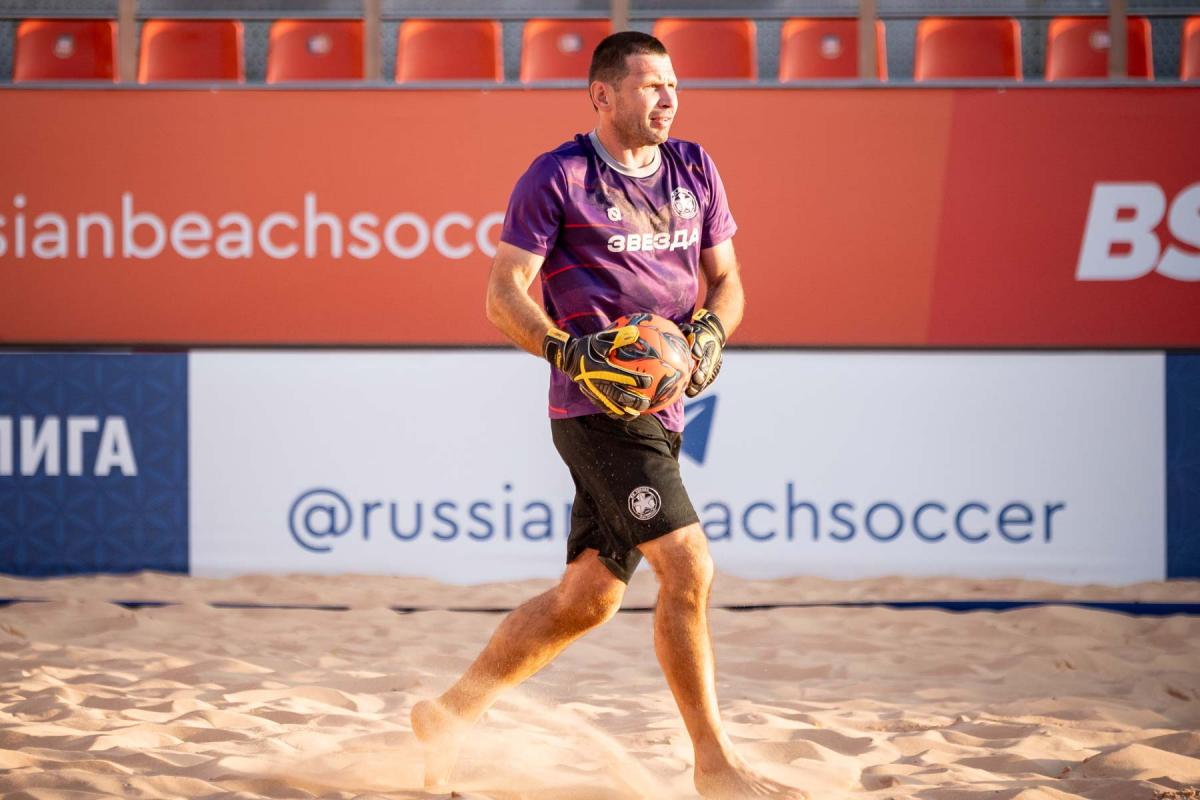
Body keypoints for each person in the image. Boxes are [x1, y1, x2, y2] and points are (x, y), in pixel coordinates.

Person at [412, 31, 804, 800]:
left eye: (674, 85)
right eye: (651, 85)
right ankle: (714, 766)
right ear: (603, 95)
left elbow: (728, 282)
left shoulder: (694, 167)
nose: (669, 99)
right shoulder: (558, 175)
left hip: (665, 408)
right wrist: (567, 352)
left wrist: (711, 334)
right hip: (597, 408)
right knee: (688, 566)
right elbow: (503, 294)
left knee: (586, 600)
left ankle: (450, 713)